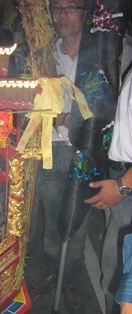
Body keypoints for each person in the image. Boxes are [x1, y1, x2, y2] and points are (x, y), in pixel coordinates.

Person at [26, 0, 119, 312]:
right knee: (45, 222)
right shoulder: (42, 53)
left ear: (86, 12)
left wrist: (65, 119)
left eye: (71, 8)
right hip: (43, 149)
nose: (61, 15)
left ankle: (70, 277)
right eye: (57, 8)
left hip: (80, 152)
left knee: (74, 224)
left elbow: (104, 109)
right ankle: (53, 272)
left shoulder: (101, 55)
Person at [85, 65, 132, 313]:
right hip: (122, 171)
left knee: (119, 274)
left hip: (128, 180)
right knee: (114, 263)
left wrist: (123, 187)